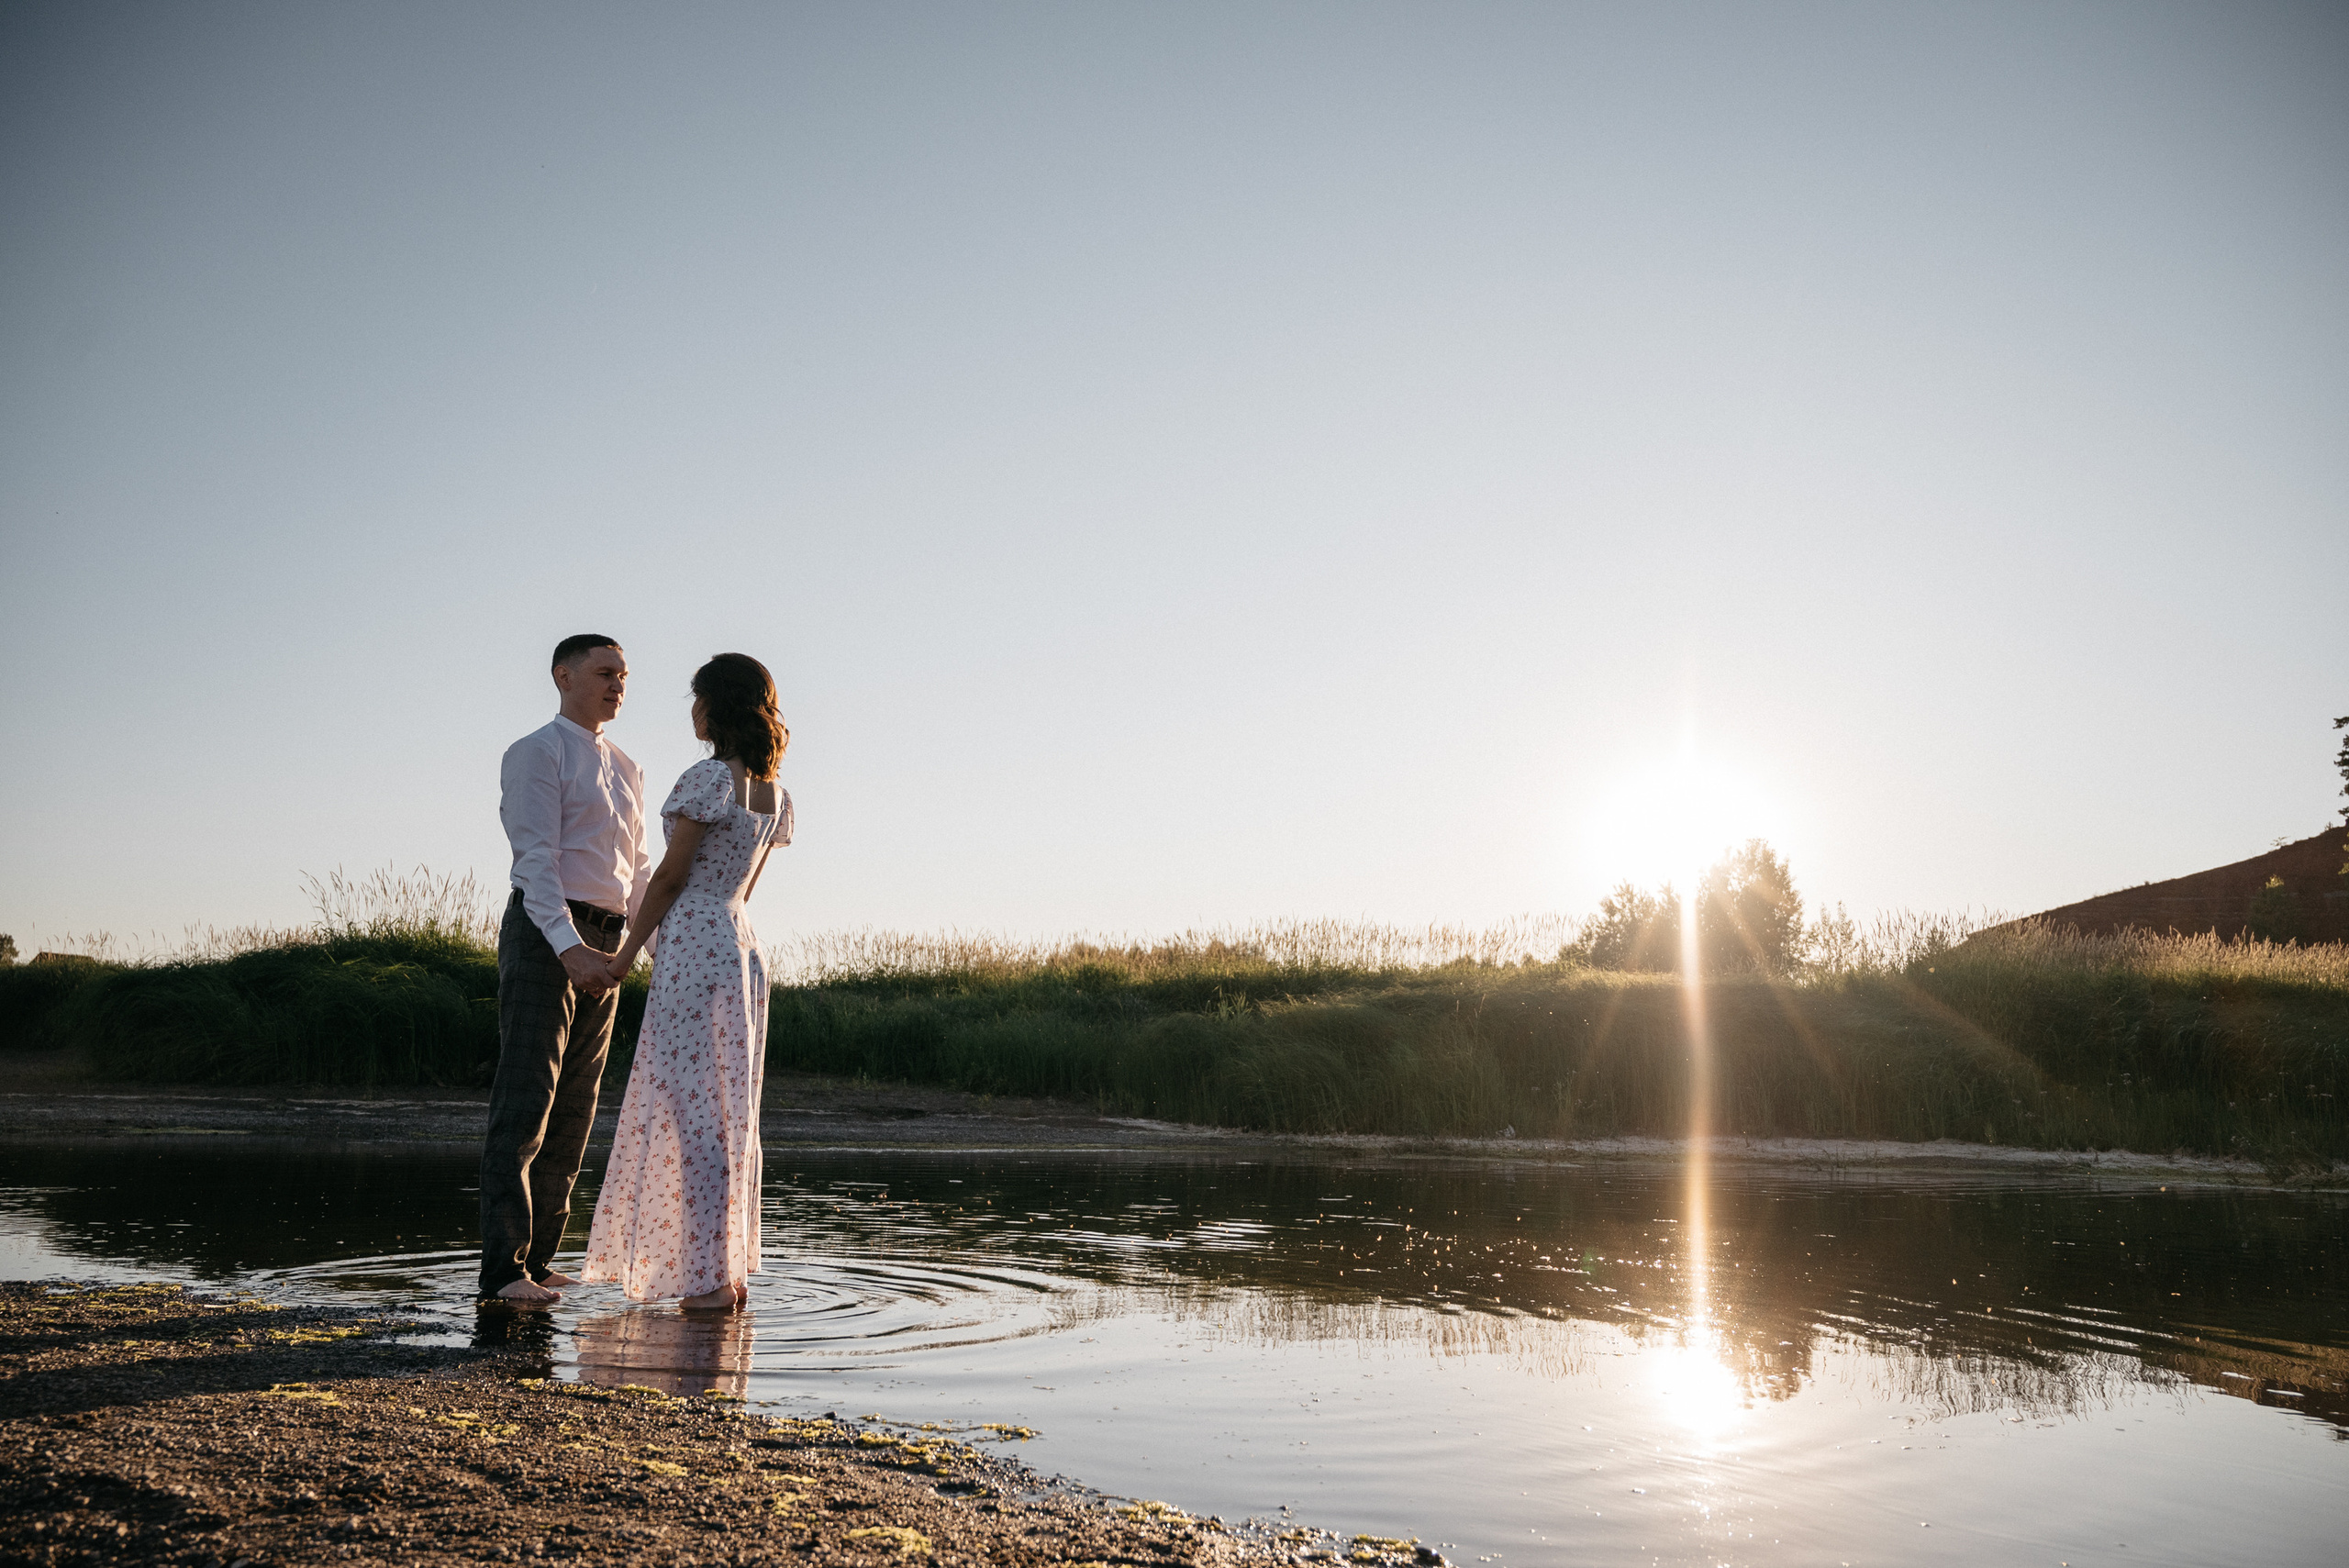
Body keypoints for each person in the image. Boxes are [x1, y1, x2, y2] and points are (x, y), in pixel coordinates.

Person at [582, 653, 793, 1310]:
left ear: (718, 706)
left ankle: (703, 1279)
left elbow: (672, 878)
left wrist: (620, 960)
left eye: (697, 698)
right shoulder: (775, 794)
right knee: (727, 1114)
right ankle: (724, 1272)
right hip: (740, 943)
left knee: (691, 1112)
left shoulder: (708, 778)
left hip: (696, 944)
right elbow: (743, 886)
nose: (691, 710)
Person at [478, 635, 651, 1306]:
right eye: (605, 672)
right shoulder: (536, 751)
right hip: (547, 936)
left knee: (575, 1110)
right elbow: (535, 860)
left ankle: (542, 1260)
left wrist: (649, 955)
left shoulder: (629, 767)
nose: (618, 684)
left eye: (624, 675)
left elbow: (637, 874)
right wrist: (567, 945)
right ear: (563, 674)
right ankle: (502, 1270)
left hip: (609, 944)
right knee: (525, 1104)